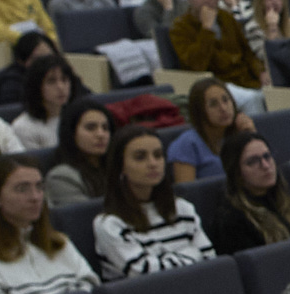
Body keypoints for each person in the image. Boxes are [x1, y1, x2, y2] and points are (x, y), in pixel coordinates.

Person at [0, 155, 98, 294]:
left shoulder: (58, 241)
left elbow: (92, 292)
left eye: (39, 187)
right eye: (22, 189)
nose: (35, 197)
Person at [94, 128, 214, 277]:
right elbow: (147, 275)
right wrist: (192, 254)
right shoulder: (110, 224)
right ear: (120, 166)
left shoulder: (182, 208)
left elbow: (209, 259)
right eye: (140, 157)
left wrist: (164, 260)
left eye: (158, 155)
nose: (153, 163)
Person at [206, 128, 290, 256]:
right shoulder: (231, 222)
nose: (266, 166)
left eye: (267, 156)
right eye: (253, 161)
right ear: (237, 173)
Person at [168, 0, 259, 91]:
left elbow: (248, 53)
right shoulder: (180, 27)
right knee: (253, 98)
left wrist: (262, 73)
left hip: (243, 79)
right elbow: (196, 65)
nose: (206, 0)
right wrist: (206, 29)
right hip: (214, 83)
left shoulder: (227, 18)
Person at [167, 78, 249, 183]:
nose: (223, 108)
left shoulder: (238, 133)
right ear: (200, 111)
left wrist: (250, 135)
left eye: (226, 100)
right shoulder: (186, 144)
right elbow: (188, 193)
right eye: (213, 104)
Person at [47, 98, 119, 206]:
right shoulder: (62, 177)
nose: (101, 134)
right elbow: (85, 218)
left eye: (105, 128)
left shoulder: (120, 168)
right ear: (72, 133)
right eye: (90, 128)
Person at [10, 53, 79, 152]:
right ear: (37, 87)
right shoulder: (24, 127)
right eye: (51, 81)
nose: (60, 87)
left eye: (64, 80)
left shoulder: (77, 117)